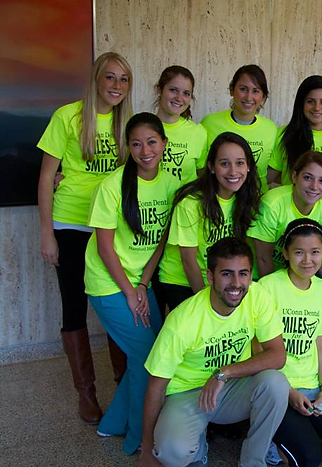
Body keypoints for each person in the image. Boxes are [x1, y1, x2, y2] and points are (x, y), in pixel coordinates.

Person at [37, 51, 133, 424]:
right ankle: (87, 394)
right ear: (96, 79)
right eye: (110, 77)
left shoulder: (128, 124)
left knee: (118, 306)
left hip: (110, 228)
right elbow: (47, 176)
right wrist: (47, 232)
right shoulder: (69, 116)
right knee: (74, 306)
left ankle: (125, 382)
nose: (116, 86)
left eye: (123, 80)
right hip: (72, 224)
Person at [139, 237, 288, 466]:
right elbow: (155, 387)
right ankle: (197, 447)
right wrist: (147, 448)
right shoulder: (183, 321)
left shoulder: (258, 296)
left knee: (276, 384)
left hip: (229, 386)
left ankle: (253, 461)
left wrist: (224, 372)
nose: (236, 283)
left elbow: (277, 355)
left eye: (243, 273)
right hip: (187, 393)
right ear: (210, 276)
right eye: (227, 274)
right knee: (171, 452)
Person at [84, 112, 180, 454]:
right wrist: (129, 291)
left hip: (141, 282)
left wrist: (144, 284)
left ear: (164, 144)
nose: (145, 150)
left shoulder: (171, 185)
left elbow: (162, 241)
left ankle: (112, 423)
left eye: (152, 142)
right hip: (108, 283)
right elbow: (104, 247)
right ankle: (140, 438)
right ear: (128, 147)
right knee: (146, 357)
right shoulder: (112, 186)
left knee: (149, 352)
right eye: (136, 143)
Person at [259, 219, 322, 467]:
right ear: (285, 253)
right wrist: (289, 393)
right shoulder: (267, 287)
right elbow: (257, 348)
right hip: (277, 391)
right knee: (309, 458)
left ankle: (302, 435)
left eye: (315, 252)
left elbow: (319, 344)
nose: (308, 260)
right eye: (299, 252)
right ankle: (273, 439)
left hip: (312, 389)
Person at [157, 132, 261, 311]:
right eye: (224, 164)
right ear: (211, 167)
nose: (233, 171)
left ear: (249, 166)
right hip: (183, 282)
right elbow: (188, 261)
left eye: (240, 163)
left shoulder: (246, 200)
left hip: (222, 282)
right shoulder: (191, 203)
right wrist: (206, 303)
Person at [248, 151, 322, 278]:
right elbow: (263, 258)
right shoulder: (272, 204)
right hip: (260, 274)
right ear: (294, 177)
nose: (314, 186)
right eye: (308, 178)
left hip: (297, 273)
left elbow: (316, 259)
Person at [200, 64, 277, 192]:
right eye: (243, 89)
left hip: (255, 203)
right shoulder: (209, 123)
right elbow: (201, 169)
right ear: (231, 89)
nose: (248, 97)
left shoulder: (271, 129)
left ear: (263, 96)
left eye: (256, 91)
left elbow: (271, 172)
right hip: (217, 201)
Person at [267, 75, 322, 187]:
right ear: (301, 103)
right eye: (310, 101)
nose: (317, 108)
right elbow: (269, 178)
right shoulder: (285, 134)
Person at [153, 65, 208, 185]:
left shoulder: (198, 132)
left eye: (186, 93)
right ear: (159, 89)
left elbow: (202, 174)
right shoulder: (143, 128)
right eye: (173, 90)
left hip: (185, 202)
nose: (179, 98)